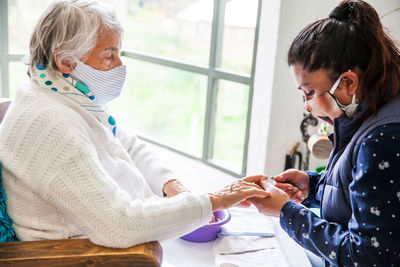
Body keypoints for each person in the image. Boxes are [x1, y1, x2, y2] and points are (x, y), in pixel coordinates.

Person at [0, 0, 270, 248]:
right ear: (67, 61)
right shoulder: (51, 126)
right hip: (75, 253)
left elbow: (122, 141)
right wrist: (217, 199)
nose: (121, 65)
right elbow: (121, 225)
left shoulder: (57, 90)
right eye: (109, 56)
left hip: (102, 236)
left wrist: (171, 185)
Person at [249, 0, 400, 266]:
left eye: (309, 92)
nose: (307, 105)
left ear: (349, 82)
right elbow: (365, 195)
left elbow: (365, 257)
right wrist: (313, 185)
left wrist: (286, 212)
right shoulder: (367, 113)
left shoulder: (383, 138)